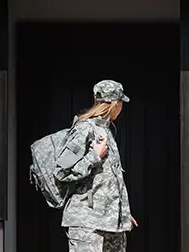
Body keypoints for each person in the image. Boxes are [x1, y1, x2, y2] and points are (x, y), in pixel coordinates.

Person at [55, 80, 137, 252]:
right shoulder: (85, 128)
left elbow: (108, 179)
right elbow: (62, 172)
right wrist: (94, 156)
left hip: (111, 224)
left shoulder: (106, 130)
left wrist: (121, 212)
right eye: (121, 102)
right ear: (115, 103)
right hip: (88, 224)